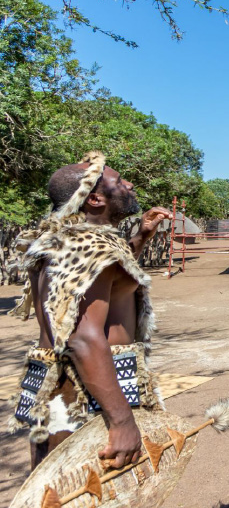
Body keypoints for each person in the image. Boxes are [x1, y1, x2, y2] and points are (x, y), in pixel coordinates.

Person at [9, 152, 171, 469]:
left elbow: (108, 281)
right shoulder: (84, 247)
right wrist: (122, 421)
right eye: (120, 182)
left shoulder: (64, 241)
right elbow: (80, 336)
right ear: (95, 199)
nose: (130, 184)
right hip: (83, 395)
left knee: (64, 494)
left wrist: (140, 237)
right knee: (78, 497)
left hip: (68, 388)